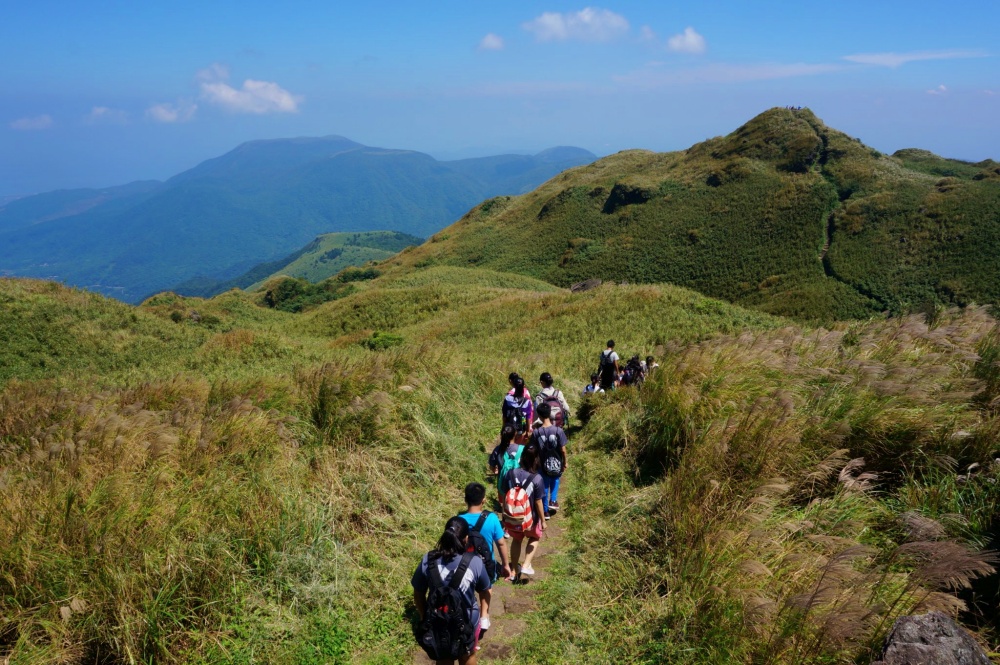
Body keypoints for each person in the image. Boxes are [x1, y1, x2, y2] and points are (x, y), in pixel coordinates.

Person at [413, 517, 492, 664]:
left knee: (443, 657)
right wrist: (484, 615)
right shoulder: (474, 562)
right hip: (467, 620)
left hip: (438, 619)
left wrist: (425, 616)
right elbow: (486, 590)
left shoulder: (428, 560)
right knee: (468, 655)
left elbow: (418, 593)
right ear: (466, 538)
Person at [458, 483, 510, 641]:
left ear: (465, 499)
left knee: (467, 591)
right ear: (484, 500)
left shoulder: (458, 520)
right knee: (486, 588)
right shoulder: (492, 518)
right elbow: (501, 543)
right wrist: (506, 565)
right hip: (485, 563)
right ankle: (484, 615)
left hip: (464, 565)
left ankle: (468, 616)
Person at [500, 446, 546, 581]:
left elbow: (504, 494)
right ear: (537, 459)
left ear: (522, 457)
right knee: (535, 538)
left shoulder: (511, 473)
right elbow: (538, 502)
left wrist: (504, 516)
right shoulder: (537, 478)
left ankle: (514, 570)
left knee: (517, 539)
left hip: (513, 516)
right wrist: (542, 520)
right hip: (530, 517)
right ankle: (526, 564)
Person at [531, 402, 568, 517]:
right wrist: (565, 462)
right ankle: (553, 500)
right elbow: (563, 450)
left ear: (539, 416)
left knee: (544, 486)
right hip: (557, 461)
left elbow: (533, 449)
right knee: (556, 479)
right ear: (549, 414)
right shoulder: (558, 431)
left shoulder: (536, 432)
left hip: (542, 464)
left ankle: (545, 511)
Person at [502, 376, 534, 444]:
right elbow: (527, 419)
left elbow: (504, 416)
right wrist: (527, 431)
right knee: (519, 448)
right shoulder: (527, 402)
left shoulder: (507, 399)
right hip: (521, 429)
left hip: (509, 429)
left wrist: (503, 427)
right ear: (523, 387)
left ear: (514, 387)